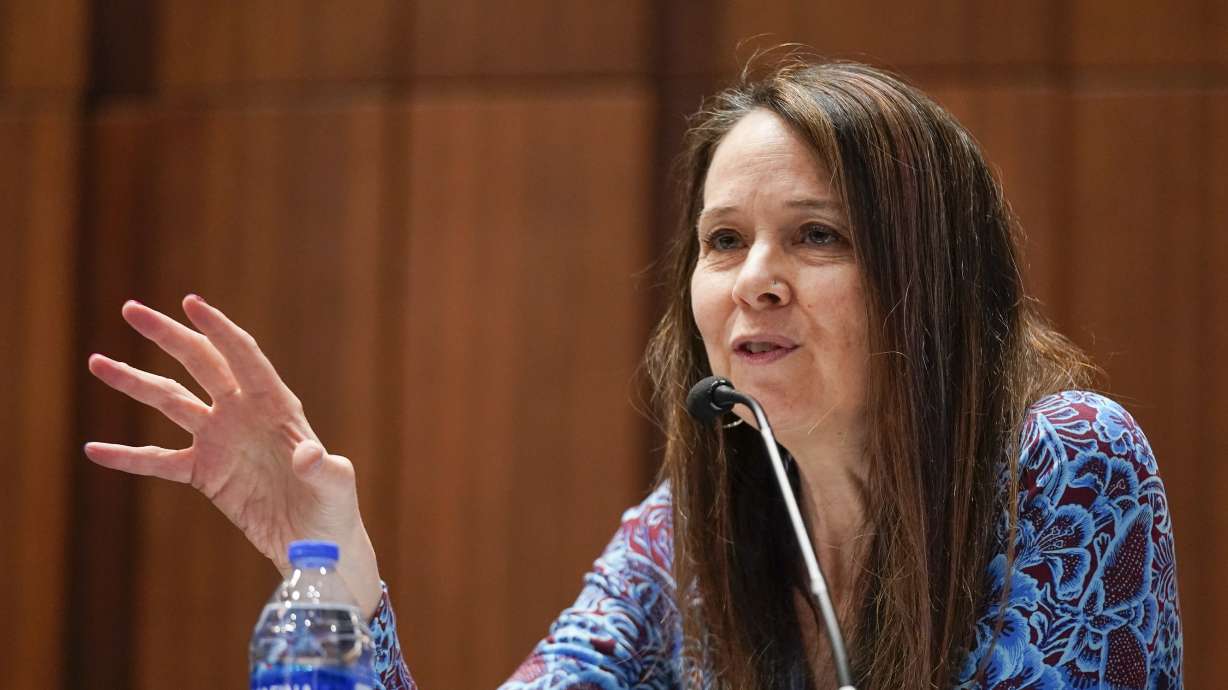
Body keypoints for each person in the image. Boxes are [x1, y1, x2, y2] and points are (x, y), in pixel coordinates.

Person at [84, 59, 1183, 689]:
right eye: (720, 242)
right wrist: (327, 556)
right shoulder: (686, 537)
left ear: (930, 278)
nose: (751, 281)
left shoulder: (1063, 460)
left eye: (816, 236)